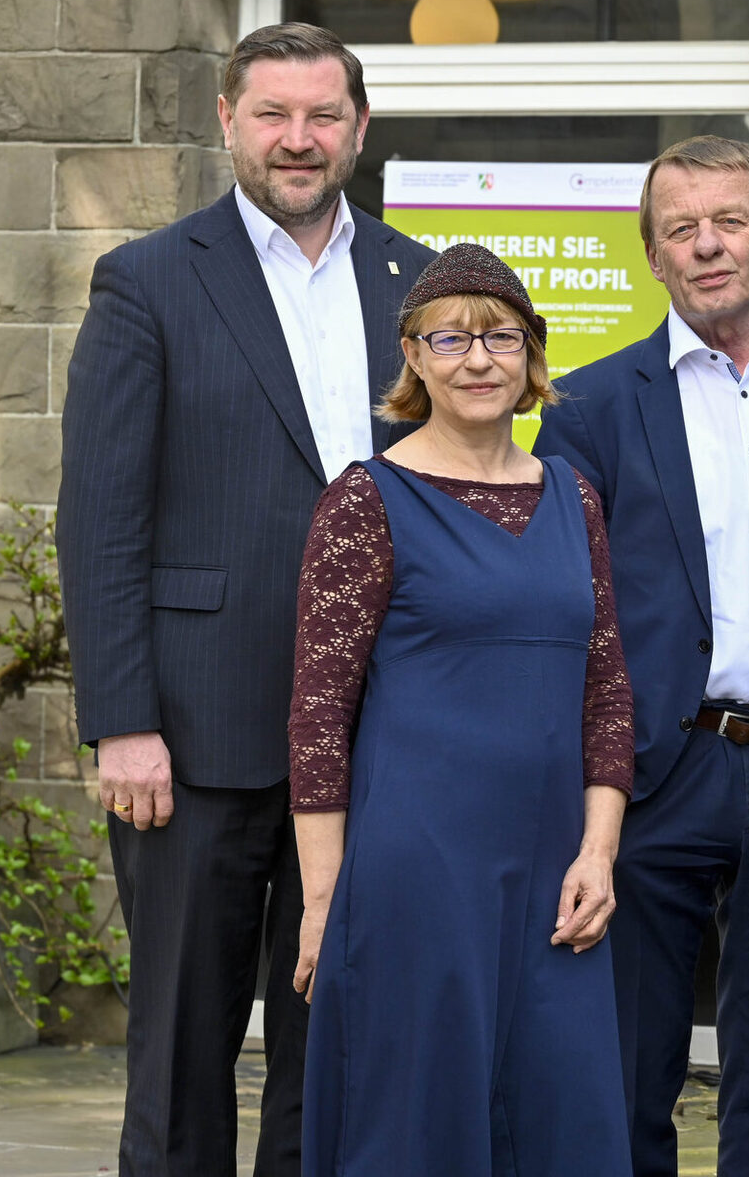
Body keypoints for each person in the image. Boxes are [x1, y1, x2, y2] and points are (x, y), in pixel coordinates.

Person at [57, 22, 436, 1175]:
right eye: (273, 114)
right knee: (183, 1054)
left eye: (323, 115)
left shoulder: (416, 280)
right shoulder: (149, 280)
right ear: (229, 121)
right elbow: (101, 518)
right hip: (194, 737)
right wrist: (123, 721)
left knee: (336, 1047)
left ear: (360, 130)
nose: (297, 138)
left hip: (373, 736)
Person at [532, 136, 749, 1177]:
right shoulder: (590, 406)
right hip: (656, 767)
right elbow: (571, 607)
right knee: (627, 1064)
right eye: (680, 228)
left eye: (729, 220)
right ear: (653, 256)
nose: (706, 245)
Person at [286, 243, 633, 1174]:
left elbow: (607, 689)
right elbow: (318, 713)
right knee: (415, 1127)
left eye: (501, 338)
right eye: (450, 339)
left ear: (532, 356)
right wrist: (324, 901)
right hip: (417, 876)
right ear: (413, 356)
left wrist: (599, 852)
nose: (478, 360)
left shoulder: (574, 497)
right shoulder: (366, 499)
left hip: (557, 876)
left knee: (562, 1121)